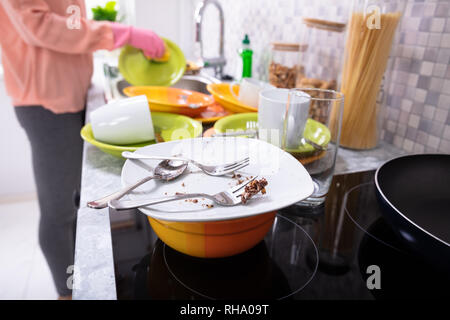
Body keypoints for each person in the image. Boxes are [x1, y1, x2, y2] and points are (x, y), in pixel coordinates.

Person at [0, 0, 165, 299]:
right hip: (47, 104)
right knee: (58, 212)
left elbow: (70, 22)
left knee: (73, 202)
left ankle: (79, 283)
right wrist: (120, 33)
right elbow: (45, 28)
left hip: (71, 96)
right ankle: (67, 294)